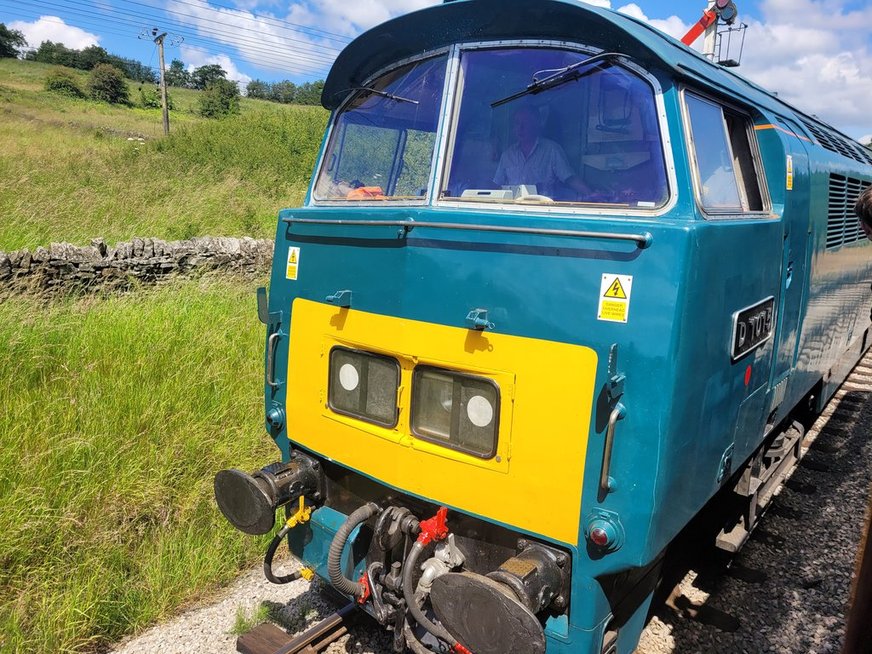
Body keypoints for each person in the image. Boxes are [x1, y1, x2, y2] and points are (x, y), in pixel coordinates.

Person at [493, 106, 590, 200]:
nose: (520, 128)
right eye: (517, 123)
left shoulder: (552, 150)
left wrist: (591, 194)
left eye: (525, 122)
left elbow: (569, 178)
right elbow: (497, 186)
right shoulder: (507, 155)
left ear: (536, 124)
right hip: (512, 212)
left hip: (542, 210)